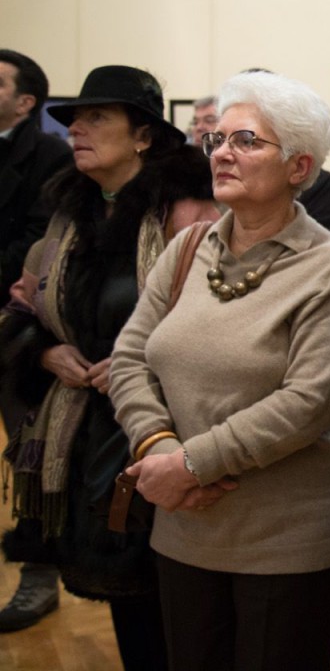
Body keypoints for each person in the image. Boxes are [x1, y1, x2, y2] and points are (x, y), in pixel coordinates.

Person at [109, 71, 330, 671]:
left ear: (299, 166)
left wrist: (191, 465)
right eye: (217, 139)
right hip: (183, 520)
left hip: (283, 535)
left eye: (246, 140)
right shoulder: (187, 248)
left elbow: (308, 404)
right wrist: (160, 450)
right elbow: (129, 358)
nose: (222, 152)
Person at [1, 65, 217, 665]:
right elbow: (23, 305)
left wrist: (135, 364)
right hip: (85, 428)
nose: (77, 130)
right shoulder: (69, 215)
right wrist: (46, 352)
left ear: (143, 135)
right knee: (127, 603)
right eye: (74, 119)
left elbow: (221, 317)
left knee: (177, 601)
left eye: (97, 118)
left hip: (169, 427)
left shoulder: (189, 212)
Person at [0, 49, 72, 633]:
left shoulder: (50, 156)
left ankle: (39, 574)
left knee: (31, 449)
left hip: (20, 324)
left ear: (25, 101)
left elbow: (37, 244)